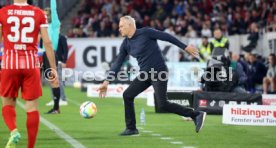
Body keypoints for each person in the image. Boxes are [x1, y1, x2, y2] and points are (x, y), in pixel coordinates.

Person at [97, 16, 206, 136]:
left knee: (163, 104)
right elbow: (117, 63)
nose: (119, 29)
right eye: (119, 27)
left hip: (159, 71)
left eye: (121, 26)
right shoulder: (125, 44)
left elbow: (167, 37)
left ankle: (196, 114)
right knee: (127, 95)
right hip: (145, 74)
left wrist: (185, 47)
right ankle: (131, 128)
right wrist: (106, 82)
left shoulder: (146, 32)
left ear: (129, 25)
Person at [0, 0, 58, 147]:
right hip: (31, 64)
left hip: (9, 63)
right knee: (32, 108)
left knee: (7, 104)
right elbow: (48, 43)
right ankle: (30, 146)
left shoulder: (3, 12)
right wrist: (53, 70)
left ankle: (13, 131)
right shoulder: (38, 12)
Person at [42, 0, 62, 113]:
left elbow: (53, 9)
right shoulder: (44, 27)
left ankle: (56, 108)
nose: (45, 17)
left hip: (51, 53)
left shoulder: (55, 24)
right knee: (51, 81)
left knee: (54, 80)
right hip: (45, 54)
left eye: (46, 15)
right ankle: (56, 107)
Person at [45, 33, 69, 107]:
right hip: (50, 61)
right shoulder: (49, 37)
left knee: (59, 81)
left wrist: (64, 61)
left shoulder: (61, 37)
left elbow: (66, 50)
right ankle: (55, 99)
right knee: (51, 80)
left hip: (58, 62)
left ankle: (63, 99)